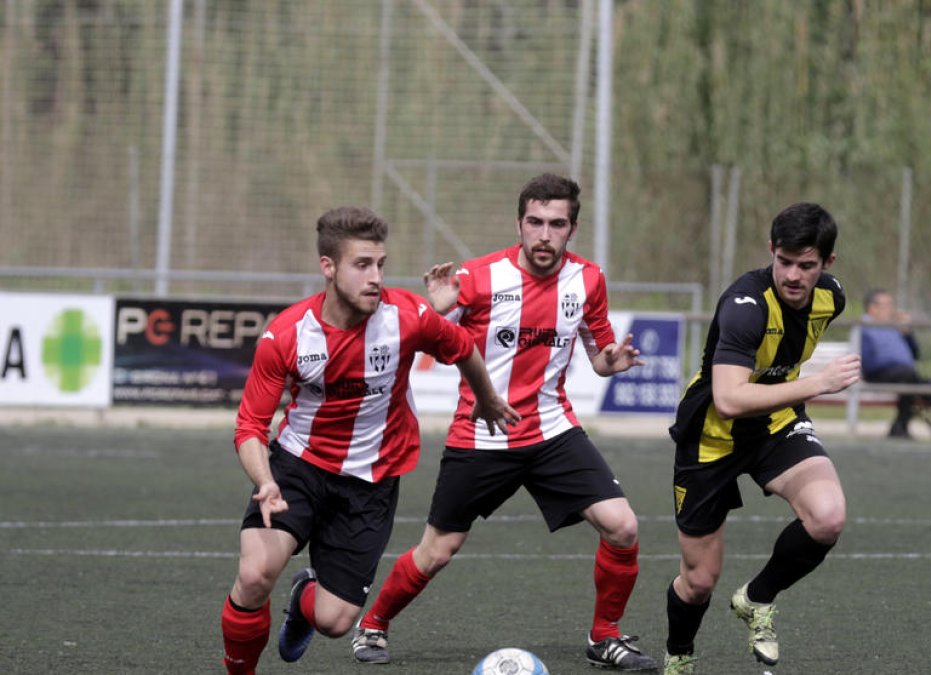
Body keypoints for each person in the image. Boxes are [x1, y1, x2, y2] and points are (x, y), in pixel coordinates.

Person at [351, 174, 657, 671]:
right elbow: (425, 339)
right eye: (534, 222)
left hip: (553, 430)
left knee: (622, 526)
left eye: (556, 224)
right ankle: (374, 625)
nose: (544, 234)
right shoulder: (478, 277)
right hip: (481, 433)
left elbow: (600, 355)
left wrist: (611, 363)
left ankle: (605, 638)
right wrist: (439, 309)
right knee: (438, 549)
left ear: (572, 229)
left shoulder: (588, 281)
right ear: (519, 223)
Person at [219, 206, 519, 674]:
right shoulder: (286, 335)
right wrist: (266, 480)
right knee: (255, 573)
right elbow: (250, 426)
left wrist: (487, 397)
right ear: (329, 266)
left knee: (336, 622)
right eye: (362, 265)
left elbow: (463, 348)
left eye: (381, 264)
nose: (375, 276)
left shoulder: (408, 315)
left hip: (370, 482)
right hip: (298, 467)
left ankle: (303, 600)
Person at [662, 202, 861, 674]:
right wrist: (819, 383)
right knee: (699, 581)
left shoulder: (832, 297)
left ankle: (756, 598)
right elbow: (729, 399)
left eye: (806, 265)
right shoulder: (744, 306)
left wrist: (794, 393)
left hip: (776, 423)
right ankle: (679, 657)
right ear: (770, 251)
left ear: (827, 264)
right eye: (784, 261)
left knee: (828, 517)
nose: (793, 275)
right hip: (712, 437)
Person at [860, 288, 931, 440]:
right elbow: (867, 360)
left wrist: (908, 334)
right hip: (879, 372)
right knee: (908, 378)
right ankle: (900, 426)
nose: (891, 309)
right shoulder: (865, 327)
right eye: (886, 305)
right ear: (872, 308)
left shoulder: (895, 327)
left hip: (904, 373)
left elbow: (915, 354)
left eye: (891, 305)